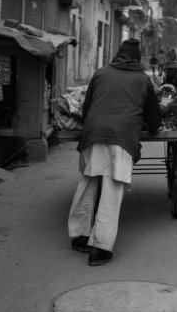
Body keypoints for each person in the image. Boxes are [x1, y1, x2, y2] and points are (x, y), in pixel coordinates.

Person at [67, 39, 162, 266]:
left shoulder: (100, 74)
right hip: (121, 138)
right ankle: (99, 249)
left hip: (92, 134)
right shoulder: (142, 80)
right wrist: (152, 126)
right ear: (137, 59)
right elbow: (153, 118)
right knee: (112, 190)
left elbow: (87, 108)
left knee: (88, 182)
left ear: (117, 55)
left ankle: (79, 236)